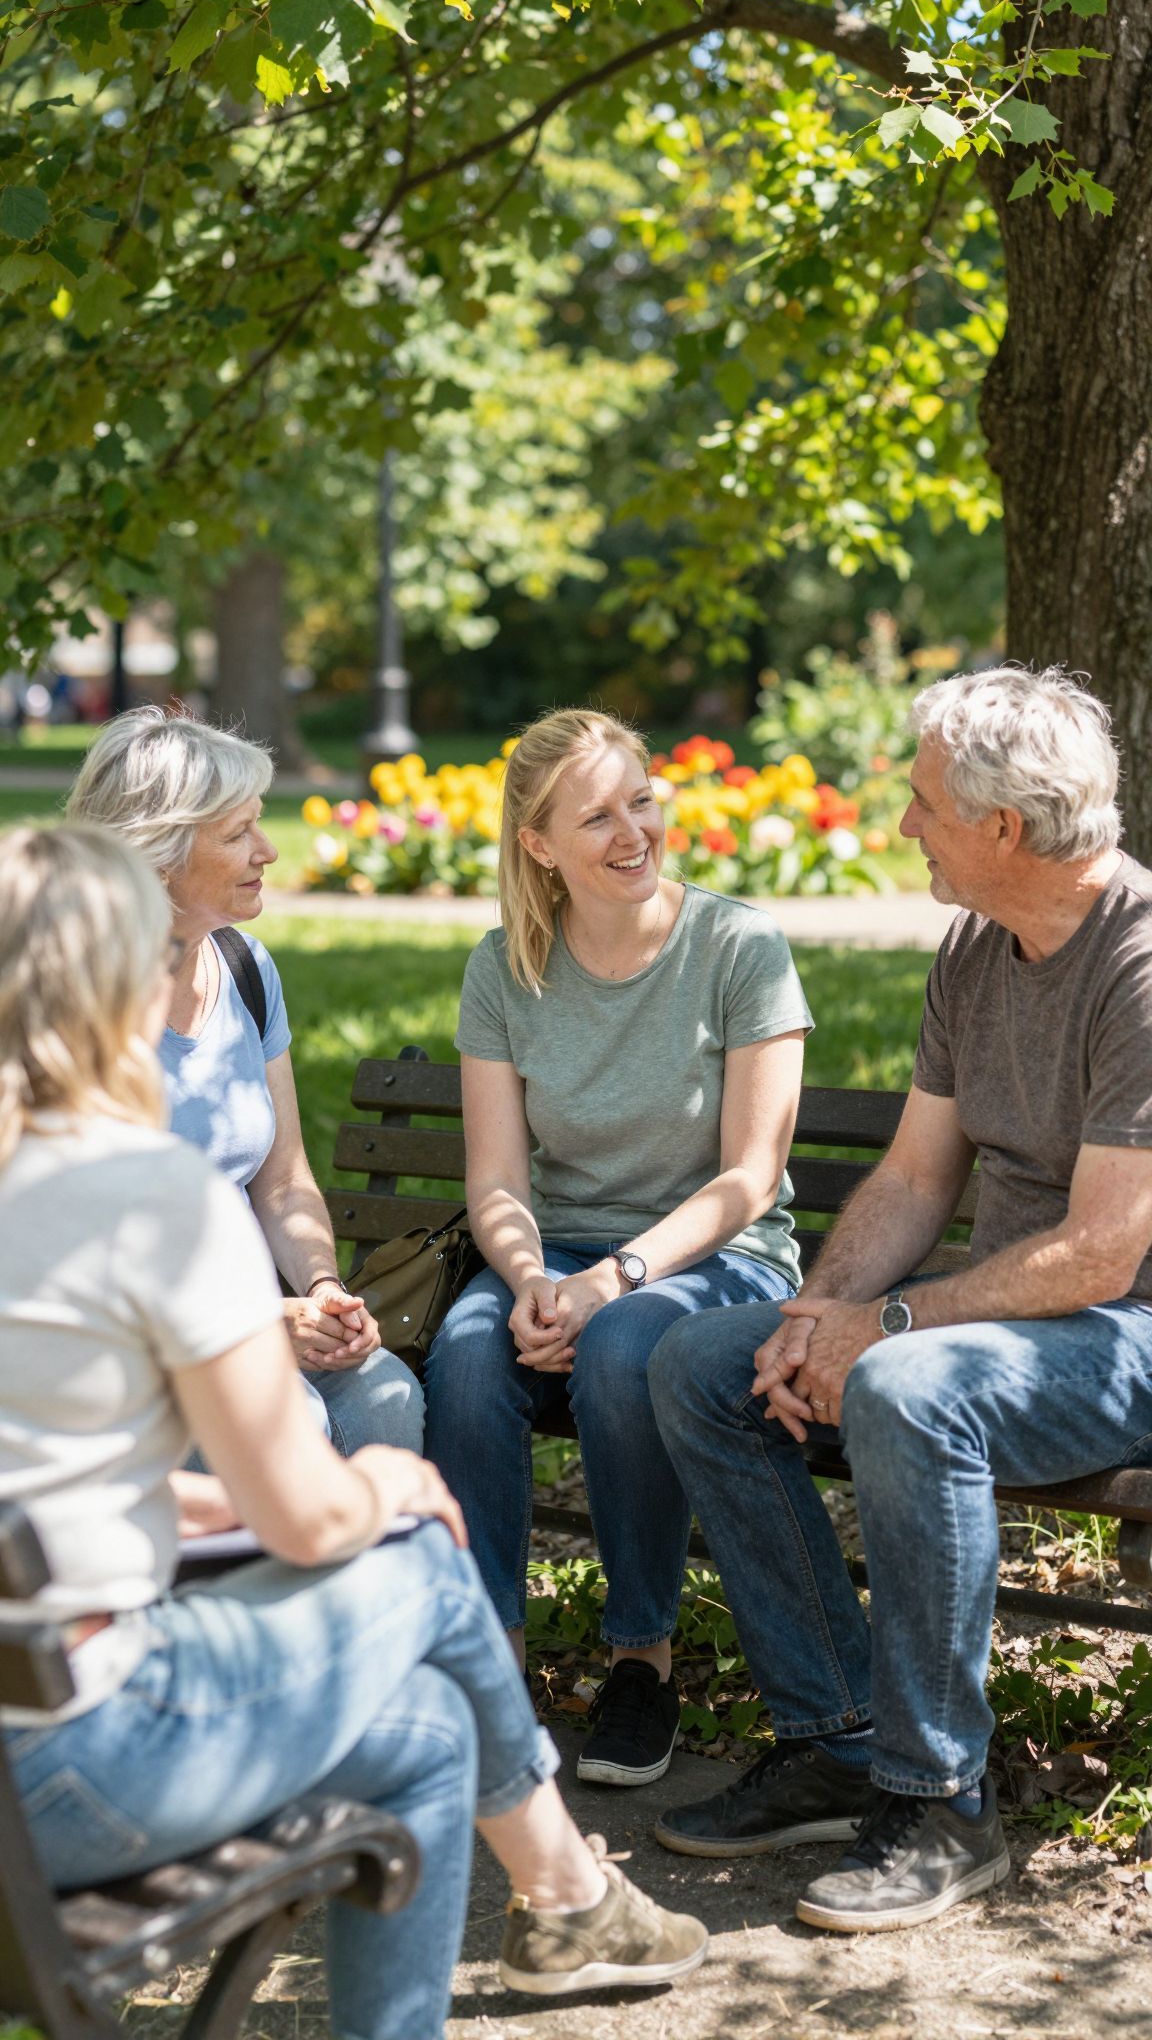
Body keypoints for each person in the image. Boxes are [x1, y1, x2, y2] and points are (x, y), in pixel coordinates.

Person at [0, 823, 709, 2038]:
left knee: (426, 1733)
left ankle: (566, 1902)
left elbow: (44, 1490)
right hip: (79, 1766)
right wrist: (385, 1481)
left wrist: (217, 1503)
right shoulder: (150, 1196)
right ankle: (574, 1897)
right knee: (419, 1552)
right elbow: (309, 1517)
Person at [647, 665, 1152, 1932]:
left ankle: (942, 1800)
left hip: (1127, 1330)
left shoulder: (1141, 964)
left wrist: (889, 1327)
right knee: (701, 1363)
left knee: (913, 1386)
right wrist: (815, 1316)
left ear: (1004, 826)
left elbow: (1104, 1252)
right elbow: (918, 1177)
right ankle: (840, 1736)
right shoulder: (978, 944)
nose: (905, 821)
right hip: (1015, 1323)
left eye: (925, 802)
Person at [424, 708, 812, 1788]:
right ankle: (493, 1671)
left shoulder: (738, 947)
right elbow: (498, 1182)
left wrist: (615, 1278)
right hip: (557, 1252)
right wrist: (530, 1276)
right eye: (596, 816)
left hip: (715, 1254)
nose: (633, 831)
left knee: (623, 1345)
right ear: (539, 845)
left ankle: (642, 1661)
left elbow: (748, 1177)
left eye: (641, 799)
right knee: (467, 1356)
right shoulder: (505, 967)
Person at [67, 707, 421, 1463]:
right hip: (124, 1347)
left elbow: (283, 1180)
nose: (267, 849)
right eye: (237, 834)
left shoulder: (244, 968)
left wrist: (321, 1289)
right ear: (157, 855)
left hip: (245, 1319)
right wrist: (251, 1327)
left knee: (386, 1396)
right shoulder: (67, 1002)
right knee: (292, 1425)